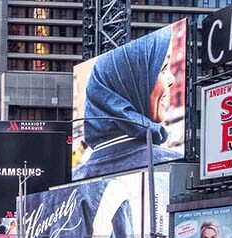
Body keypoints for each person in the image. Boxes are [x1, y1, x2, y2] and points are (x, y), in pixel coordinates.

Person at [73, 22, 183, 180]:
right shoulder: (172, 167)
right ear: (130, 82)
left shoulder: (75, 178)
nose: (172, 80)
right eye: (163, 68)